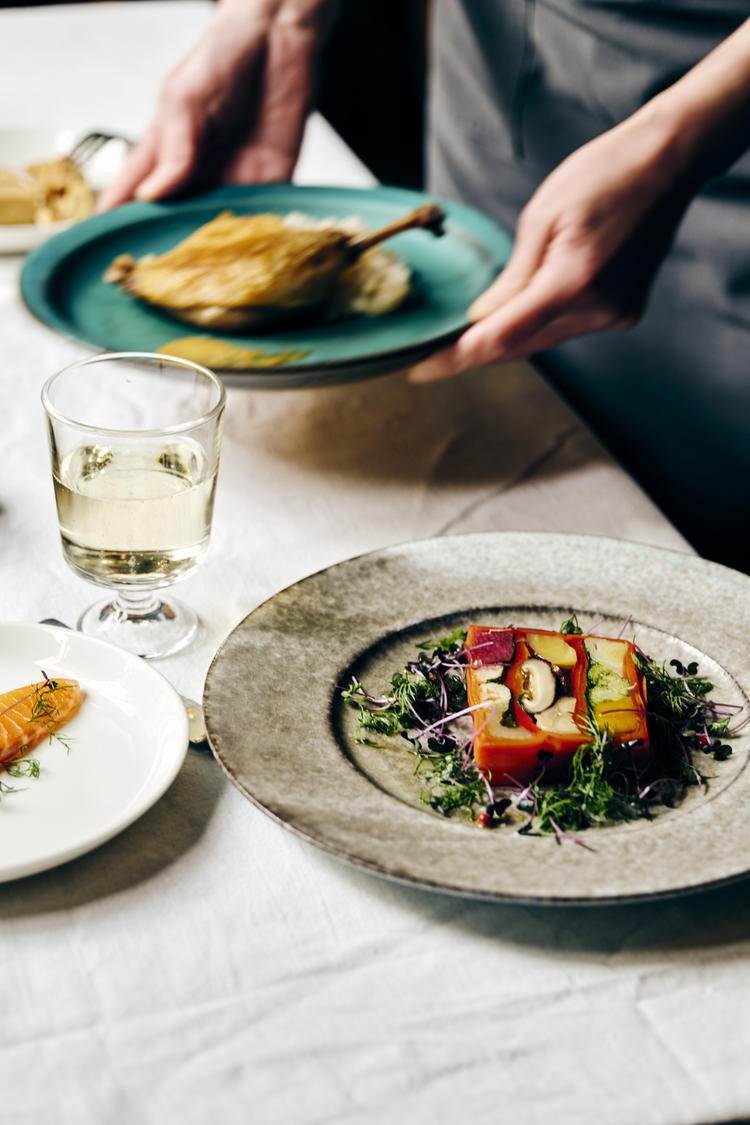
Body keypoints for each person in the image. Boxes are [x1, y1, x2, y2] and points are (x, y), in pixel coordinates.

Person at [99, 0, 750, 572]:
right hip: (504, 58)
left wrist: (680, 142)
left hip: (723, 114)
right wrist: (273, 14)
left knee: (693, 519)